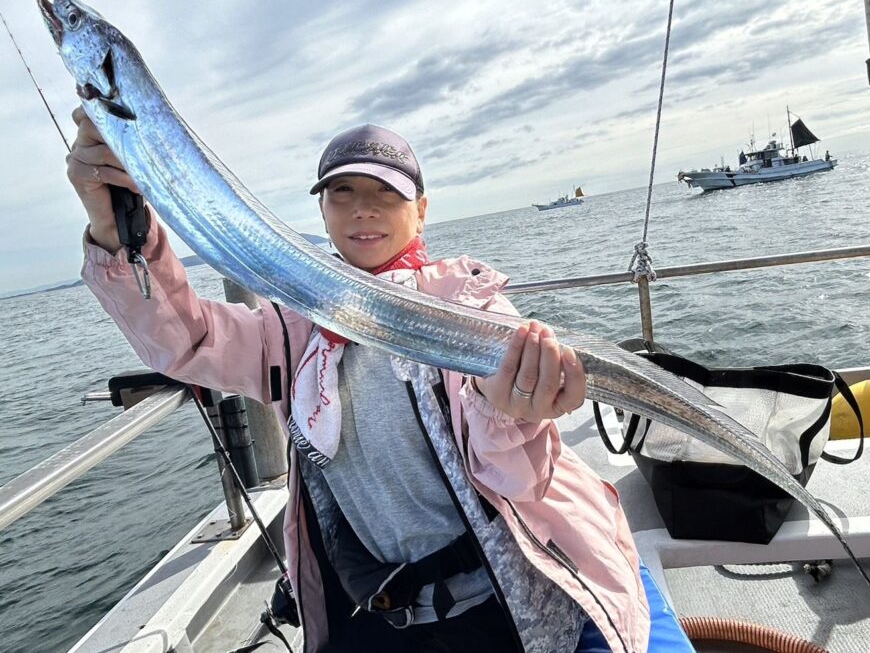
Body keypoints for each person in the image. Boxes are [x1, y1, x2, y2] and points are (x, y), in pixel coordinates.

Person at [66, 111, 692, 653]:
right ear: (321, 209)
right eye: (341, 193)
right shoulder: (294, 330)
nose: (362, 209)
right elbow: (188, 339)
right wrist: (115, 226)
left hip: (507, 591)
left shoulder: (465, 306)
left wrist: (513, 411)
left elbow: (518, 480)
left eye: (385, 194)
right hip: (379, 609)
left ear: (420, 211)